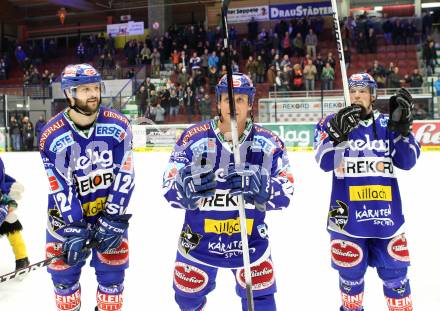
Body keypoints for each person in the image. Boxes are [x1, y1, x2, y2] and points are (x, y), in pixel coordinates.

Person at [162, 72, 294, 311]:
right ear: (218, 102)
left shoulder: (269, 142)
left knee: (263, 304)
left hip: (250, 242)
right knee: (186, 300)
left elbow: (287, 191)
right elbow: (168, 187)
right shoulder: (192, 138)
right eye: (228, 100)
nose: (233, 106)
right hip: (198, 241)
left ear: (251, 103)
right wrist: (184, 186)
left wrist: (264, 187)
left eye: (241, 99)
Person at [314, 73, 420, 311]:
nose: (357, 95)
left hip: (387, 219)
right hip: (347, 220)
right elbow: (323, 161)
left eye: (362, 90)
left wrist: (403, 131)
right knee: (351, 285)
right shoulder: (330, 123)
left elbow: (408, 161)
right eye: (352, 91)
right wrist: (337, 137)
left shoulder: (386, 124)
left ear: (373, 95)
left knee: (397, 281)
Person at [39, 64, 134, 311]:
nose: (93, 94)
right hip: (65, 222)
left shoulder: (119, 126)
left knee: (112, 290)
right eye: (84, 89)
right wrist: (75, 224)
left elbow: (125, 174)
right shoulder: (51, 134)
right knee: (64, 288)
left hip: (110, 217)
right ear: (69, 94)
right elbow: (59, 185)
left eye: (95, 87)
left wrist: (112, 218)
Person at [0, 161, 29, 271]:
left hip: (2, 208)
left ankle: (22, 259)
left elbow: (3, 177)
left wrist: (11, 186)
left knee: (12, 228)